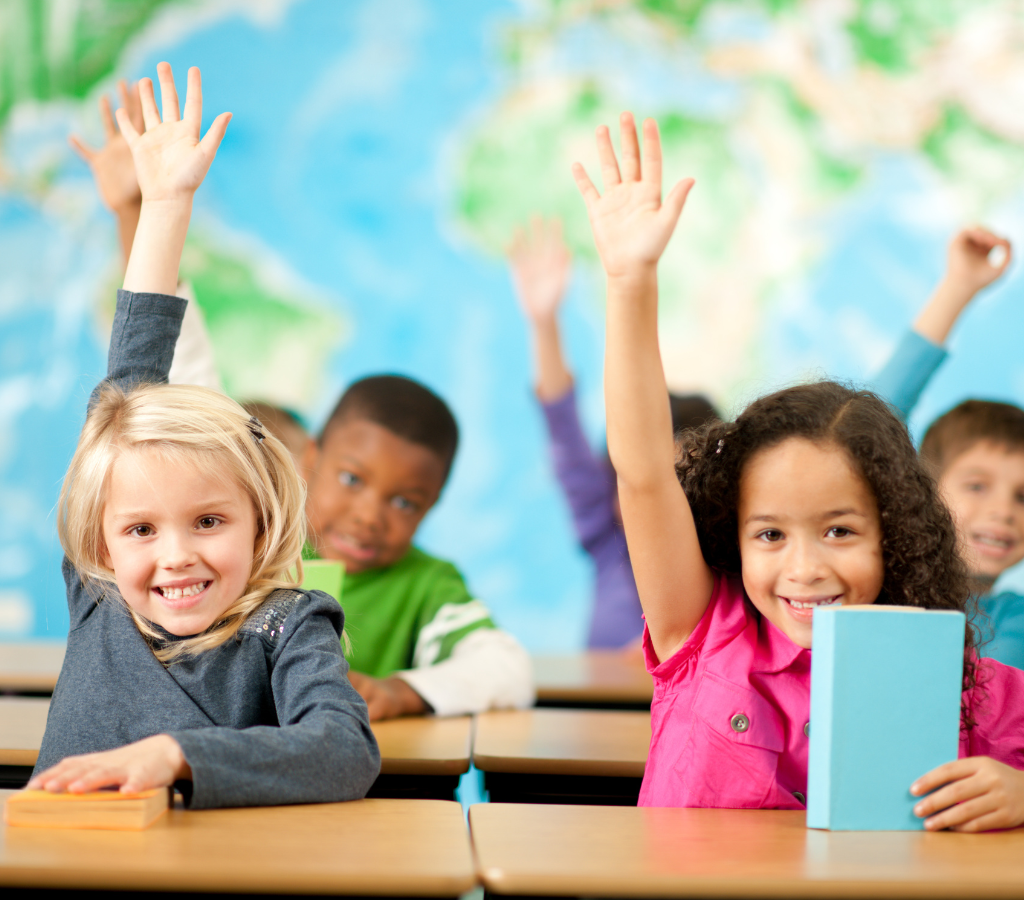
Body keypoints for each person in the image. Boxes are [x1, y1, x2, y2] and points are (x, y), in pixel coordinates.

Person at [572, 111, 1024, 830]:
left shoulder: (959, 676)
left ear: (894, 534)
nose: (805, 569)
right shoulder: (703, 628)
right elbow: (645, 474)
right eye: (770, 535)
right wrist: (631, 283)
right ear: (735, 536)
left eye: (840, 531)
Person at [30, 63, 379, 808]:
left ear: (263, 518)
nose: (176, 555)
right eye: (141, 529)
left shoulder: (289, 621)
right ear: (100, 541)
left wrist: (175, 756)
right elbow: (131, 378)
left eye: (211, 521)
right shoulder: (99, 594)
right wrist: (158, 204)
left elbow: (346, 749)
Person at [508, 216, 719, 649]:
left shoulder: (732, 569)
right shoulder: (606, 535)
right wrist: (544, 323)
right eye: (635, 474)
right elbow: (562, 424)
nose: (655, 493)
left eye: (680, 479)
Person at [301, 376, 535, 720]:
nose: (369, 518)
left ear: (431, 505)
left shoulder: (427, 585)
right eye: (352, 479)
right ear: (311, 457)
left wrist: (398, 692)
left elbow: (510, 670)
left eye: (404, 503)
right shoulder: (253, 557)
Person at [873, 228, 1024, 669]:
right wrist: (958, 288)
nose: (1004, 510)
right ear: (922, 493)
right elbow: (870, 423)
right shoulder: (875, 581)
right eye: (977, 486)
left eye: (1022, 496)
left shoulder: (1012, 620)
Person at [70, 77, 221, 392]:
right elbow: (172, 356)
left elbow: (160, 372)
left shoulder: (196, 421)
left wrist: (149, 206)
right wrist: (140, 207)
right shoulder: (205, 423)